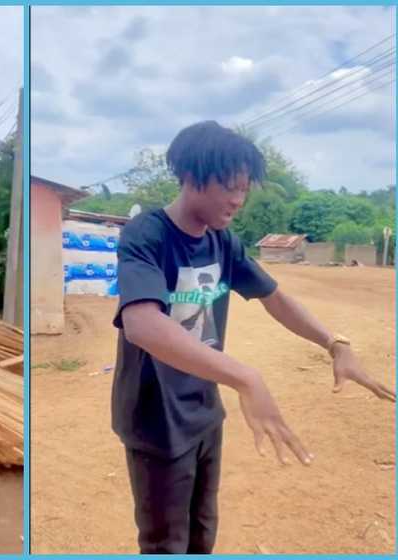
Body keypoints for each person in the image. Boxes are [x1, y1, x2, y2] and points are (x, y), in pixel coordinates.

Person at [111, 120, 394, 554]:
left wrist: (334, 343)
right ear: (190, 176)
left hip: (204, 411)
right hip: (157, 418)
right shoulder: (147, 235)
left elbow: (275, 298)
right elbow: (143, 324)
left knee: (202, 532)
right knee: (166, 543)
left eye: (244, 188)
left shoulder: (224, 243)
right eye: (229, 186)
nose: (238, 199)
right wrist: (246, 377)